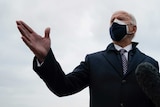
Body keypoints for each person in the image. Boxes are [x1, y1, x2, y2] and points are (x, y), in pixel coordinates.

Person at [16, 10, 159, 107]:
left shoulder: (150, 63)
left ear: (133, 29)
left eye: (120, 19)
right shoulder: (93, 61)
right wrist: (45, 58)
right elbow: (62, 87)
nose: (114, 22)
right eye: (112, 21)